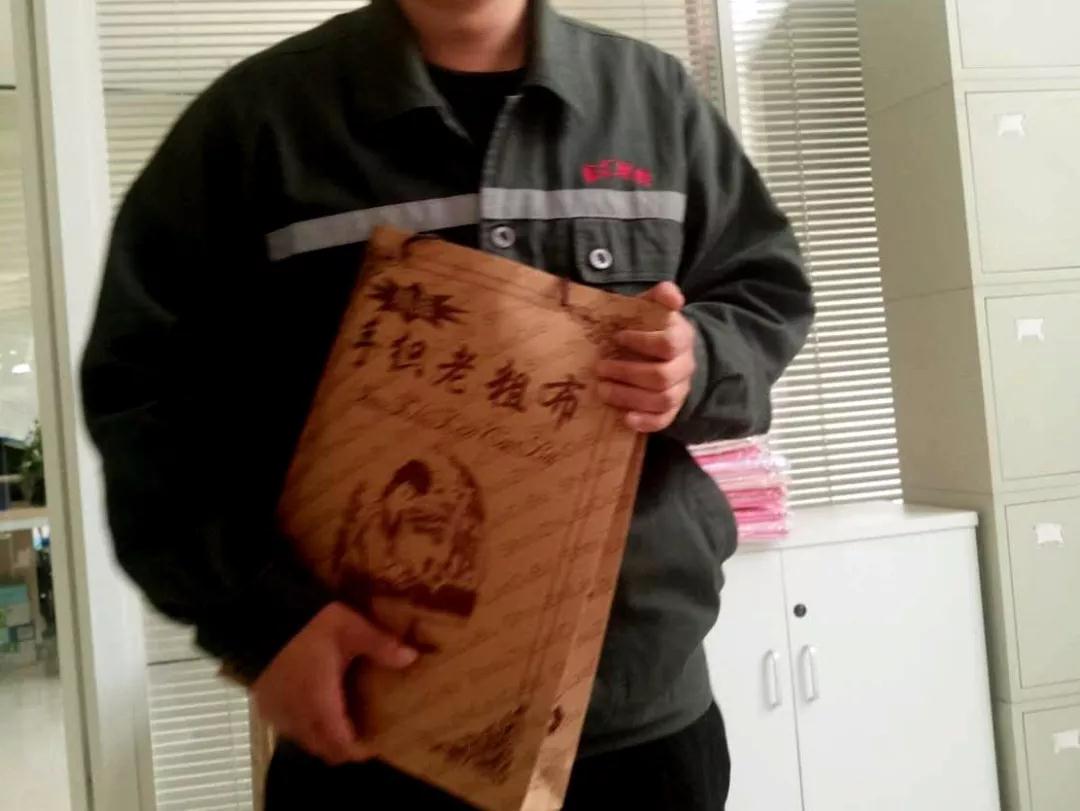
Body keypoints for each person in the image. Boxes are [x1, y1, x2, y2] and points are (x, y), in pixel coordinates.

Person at [81, 0, 814, 807]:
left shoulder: (653, 100)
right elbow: (143, 389)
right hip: (367, 720)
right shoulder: (259, 123)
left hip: (637, 721)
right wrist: (263, 620)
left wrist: (698, 360)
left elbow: (764, 290)